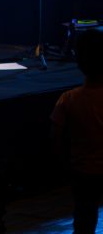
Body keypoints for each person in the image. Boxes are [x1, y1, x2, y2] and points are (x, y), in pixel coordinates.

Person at [50, 28, 103, 234]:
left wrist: (66, 166)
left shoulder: (68, 99)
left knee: (84, 219)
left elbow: (55, 139)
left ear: (78, 60)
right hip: (85, 172)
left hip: (83, 173)